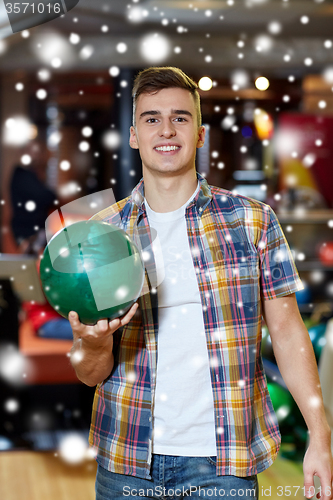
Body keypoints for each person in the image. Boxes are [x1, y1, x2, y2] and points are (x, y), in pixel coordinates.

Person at [68, 67, 333, 500]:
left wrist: (319, 435)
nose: (166, 129)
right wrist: (94, 346)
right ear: (134, 134)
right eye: (151, 119)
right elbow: (89, 372)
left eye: (180, 117)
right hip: (127, 465)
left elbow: (287, 332)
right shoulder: (104, 234)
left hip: (223, 467)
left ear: (200, 133)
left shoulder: (253, 221)